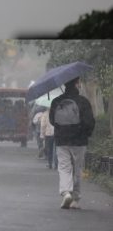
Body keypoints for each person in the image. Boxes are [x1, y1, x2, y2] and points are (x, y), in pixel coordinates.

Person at [49, 77, 95, 210]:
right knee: (77, 169)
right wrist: (86, 134)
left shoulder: (56, 101)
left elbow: (53, 120)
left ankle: (66, 192)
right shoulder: (83, 101)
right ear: (77, 84)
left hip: (62, 140)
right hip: (79, 141)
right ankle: (75, 199)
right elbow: (89, 122)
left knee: (64, 167)